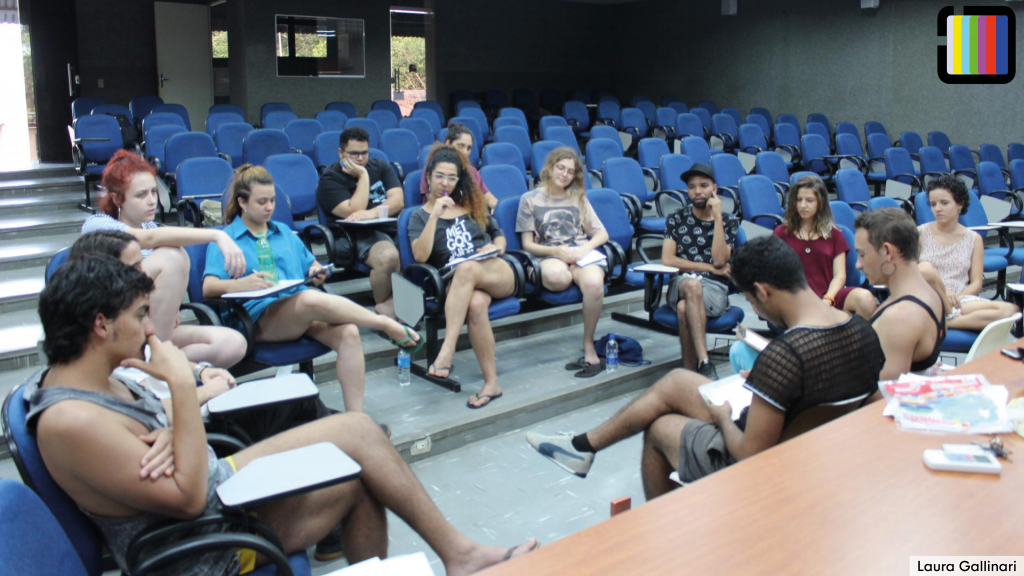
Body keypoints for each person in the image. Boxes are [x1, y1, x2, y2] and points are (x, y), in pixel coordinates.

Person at [28, 256, 538, 576]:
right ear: (100, 324)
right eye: (141, 315)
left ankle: (460, 555)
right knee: (358, 435)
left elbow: (144, 432)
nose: (153, 329)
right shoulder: (71, 421)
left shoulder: (91, 378)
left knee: (360, 469)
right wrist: (183, 392)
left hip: (216, 495)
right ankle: (462, 556)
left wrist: (166, 427)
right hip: (200, 547)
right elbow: (185, 499)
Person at [525, 236, 884, 499]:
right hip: (813, 444)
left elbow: (749, 455)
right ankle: (583, 446)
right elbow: (871, 402)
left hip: (770, 461)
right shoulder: (863, 330)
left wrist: (725, 416)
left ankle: (670, 539)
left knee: (662, 428)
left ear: (763, 291)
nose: (757, 311)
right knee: (680, 380)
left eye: (752, 301)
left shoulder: (786, 355)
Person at [68, 230, 336, 446]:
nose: (144, 273)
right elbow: (146, 414)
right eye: (135, 267)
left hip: (196, 416)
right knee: (334, 429)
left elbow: (156, 357)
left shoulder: (125, 325)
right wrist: (207, 391)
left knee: (307, 403)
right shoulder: (105, 348)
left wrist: (202, 370)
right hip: (198, 433)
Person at [204, 165, 423, 413]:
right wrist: (240, 284)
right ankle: (384, 324)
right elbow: (209, 287)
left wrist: (316, 271)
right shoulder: (226, 239)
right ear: (242, 202)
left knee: (348, 333)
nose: (269, 207)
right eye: (261, 202)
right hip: (256, 320)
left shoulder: (283, 231)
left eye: (273, 200)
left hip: (296, 312)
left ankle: (356, 418)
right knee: (309, 299)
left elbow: (311, 265)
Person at [79, 149, 247, 368]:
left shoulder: (151, 225)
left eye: (153, 192)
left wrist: (168, 305)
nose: (151, 201)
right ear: (117, 198)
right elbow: (148, 239)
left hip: (151, 328)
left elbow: (155, 235)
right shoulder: (97, 225)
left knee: (233, 343)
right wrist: (218, 234)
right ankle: (153, 360)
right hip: (116, 329)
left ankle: (149, 363)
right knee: (173, 256)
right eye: (141, 195)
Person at [729, 175, 877, 372]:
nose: (803, 205)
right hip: (796, 299)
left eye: (809, 200)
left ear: (820, 202)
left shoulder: (834, 233)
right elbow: (769, 269)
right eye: (799, 200)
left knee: (865, 298)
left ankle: (862, 355)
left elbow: (840, 275)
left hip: (828, 294)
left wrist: (828, 299)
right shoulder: (782, 232)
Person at [410, 147, 516, 408]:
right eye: (439, 176)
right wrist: (434, 215)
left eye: (452, 177)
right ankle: (492, 383)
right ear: (428, 177)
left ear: (459, 179)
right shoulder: (418, 216)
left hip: (493, 270)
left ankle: (447, 351)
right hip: (457, 283)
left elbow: (498, 234)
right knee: (476, 304)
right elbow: (421, 257)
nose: (445, 183)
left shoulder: (472, 205)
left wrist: (496, 247)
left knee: (469, 268)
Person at [516, 147, 609, 377]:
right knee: (559, 277)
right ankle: (569, 273)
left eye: (570, 171)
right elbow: (527, 244)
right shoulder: (529, 199)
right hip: (549, 253)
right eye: (561, 168)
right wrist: (557, 252)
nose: (565, 174)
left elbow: (601, 234)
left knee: (595, 285)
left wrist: (584, 248)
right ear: (549, 168)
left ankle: (588, 342)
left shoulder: (579, 197)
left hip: (579, 253)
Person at [661, 163, 739, 380]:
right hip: (682, 284)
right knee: (691, 285)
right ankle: (705, 361)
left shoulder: (729, 221)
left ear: (715, 188)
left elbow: (720, 259)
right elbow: (668, 260)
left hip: (714, 289)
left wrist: (717, 219)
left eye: (703, 186)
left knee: (685, 308)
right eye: (692, 187)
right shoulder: (676, 218)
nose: (697, 191)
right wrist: (707, 268)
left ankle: (689, 374)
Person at [316, 127, 404, 318]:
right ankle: (385, 309)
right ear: (341, 153)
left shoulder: (380, 166)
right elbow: (354, 210)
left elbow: (398, 200)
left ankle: (396, 304)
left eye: (364, 153)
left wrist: (371, 213)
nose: (360, 158)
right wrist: (363, 176)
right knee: (389, 257)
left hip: (390, 227)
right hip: (355, 235)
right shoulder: (330, 179)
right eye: (354, 154)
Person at [917, 175, 1019, 331]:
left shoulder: (973, 239)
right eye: (933, 204)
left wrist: (956, 299)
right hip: (929, 296)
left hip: (960, 300)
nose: (937, 208)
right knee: (924, 267)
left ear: (960, 204)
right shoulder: (921, 233)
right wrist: (944, 293)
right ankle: (960, 320)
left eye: (944, 203)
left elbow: (977, 283)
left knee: (1012, 311)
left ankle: (948, 322)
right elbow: (911, 273)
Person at [854, 208, 946, 379]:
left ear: (887, 252)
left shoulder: (899, 317)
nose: (858, 265)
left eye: (862, 254)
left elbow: (882, 394)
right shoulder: (931, 292)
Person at [419, 123, 498, 211]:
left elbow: (488, 197)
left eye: (469, 148)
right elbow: (433, 199)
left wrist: (496, 207)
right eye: (461, 146)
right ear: (448, 143)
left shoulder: (472, 171)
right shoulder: (433, 168)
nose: (465, 152)